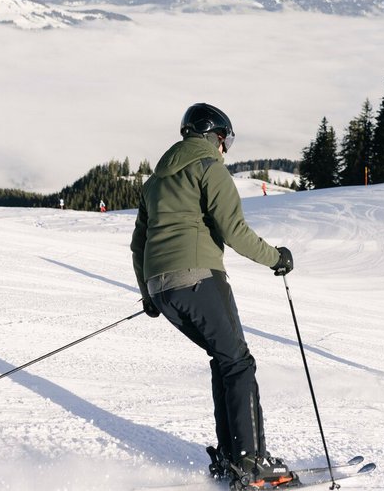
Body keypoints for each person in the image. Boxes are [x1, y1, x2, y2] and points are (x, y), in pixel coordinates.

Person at [131, 103, 295, 486]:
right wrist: (276, 258)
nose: (226, 149)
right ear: (213, 135)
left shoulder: (154, 182)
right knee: (238, 363)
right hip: (199, 277)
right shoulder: (209, 168)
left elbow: (139, 244)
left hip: (163, 286)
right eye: (226, 140)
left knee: (224, 359)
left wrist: (149, 294)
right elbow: (235, 231)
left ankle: (230, 458)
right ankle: (250, 461)